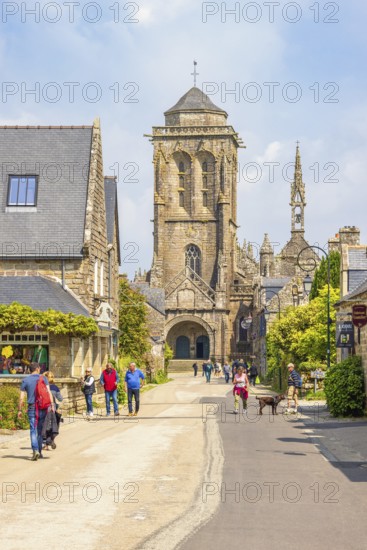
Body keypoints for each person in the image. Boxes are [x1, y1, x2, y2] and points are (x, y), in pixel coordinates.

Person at [18, 363, 54, 461]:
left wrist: (20, 410)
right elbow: (48, 392)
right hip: (43, 407)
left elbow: (21, 398)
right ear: (38, 369)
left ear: (29, 370)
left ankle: (35, 450)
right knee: (40, 430)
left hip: (32, 408)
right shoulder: (43, 378)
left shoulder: (25, 380)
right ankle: (39, 451)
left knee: (33, 429)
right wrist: (52, 404)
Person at [43, 371, 63, 450]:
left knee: (45, 426)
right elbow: (60, 399)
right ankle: (51, 440)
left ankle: (46, 444)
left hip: (44, 408)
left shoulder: (42, 387)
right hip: (53, 408)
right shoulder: (55, 387)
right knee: (54, 425)